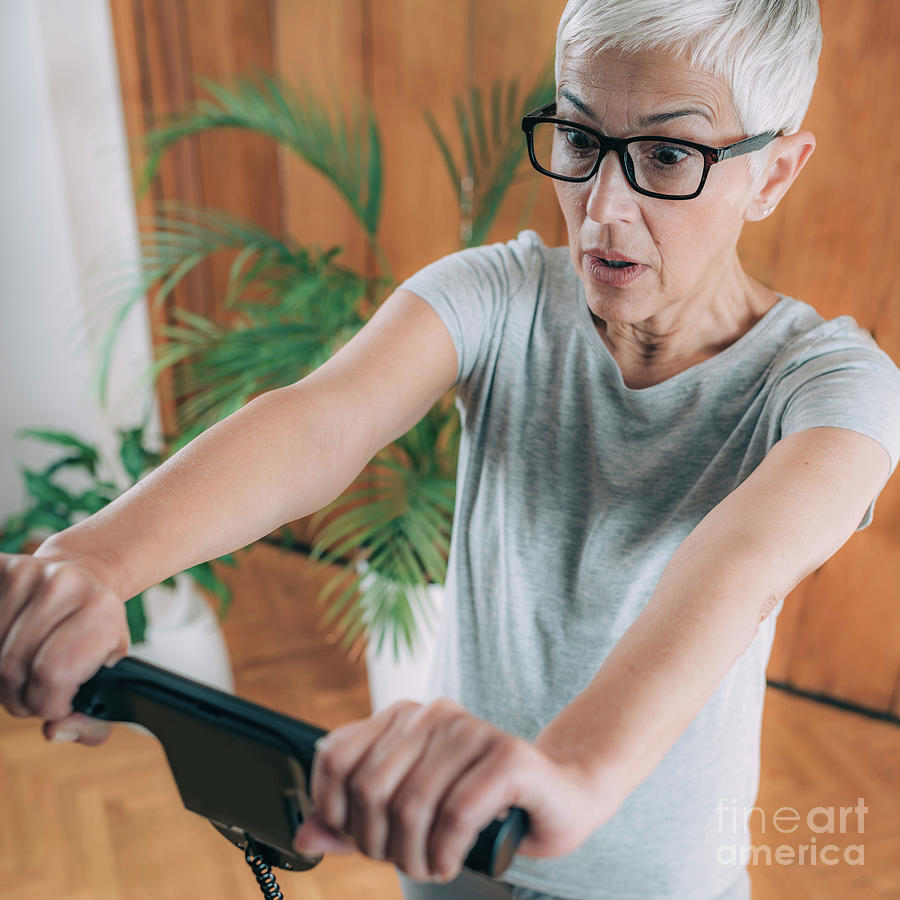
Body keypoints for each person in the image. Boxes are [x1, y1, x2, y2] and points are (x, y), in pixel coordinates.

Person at [1, 0, 899, 897]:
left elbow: (737, 567)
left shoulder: (833, 386)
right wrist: (89, 563)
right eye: (580, 139)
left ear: (775, 173)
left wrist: (572, 774)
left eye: (667, 155)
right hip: (450, 843)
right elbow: (320, 421)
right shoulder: (496, 295)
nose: (604, 205)